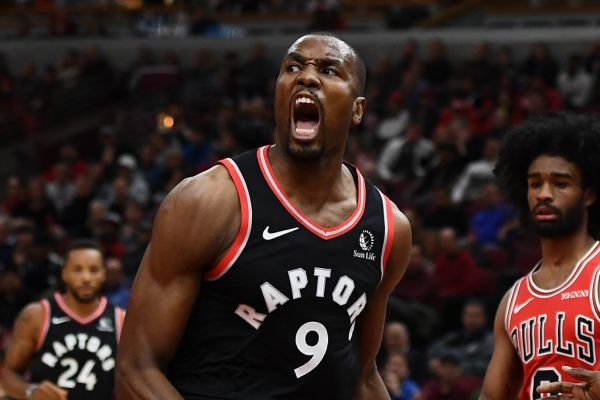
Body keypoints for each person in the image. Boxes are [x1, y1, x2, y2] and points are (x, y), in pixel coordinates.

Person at [115, 32, 412, 400]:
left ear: (357, 110)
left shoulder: (388, 229)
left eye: (329, 70)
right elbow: (136, 369)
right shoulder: (209, 201)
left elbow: (362, 377)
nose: (306, 76)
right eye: (292, 67)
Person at [479, 112, 600, 400]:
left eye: (560, 183)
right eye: (535, 184)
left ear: (589, 195)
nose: (544, 194)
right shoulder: (513, 300)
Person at [1, 239, 125, 400]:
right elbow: (8, 376)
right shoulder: (36, 316)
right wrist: (30, 391)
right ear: (64, 273)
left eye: (93, 270)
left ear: (103, 274)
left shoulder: (121, 320)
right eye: (77, 270)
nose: (86, 277)